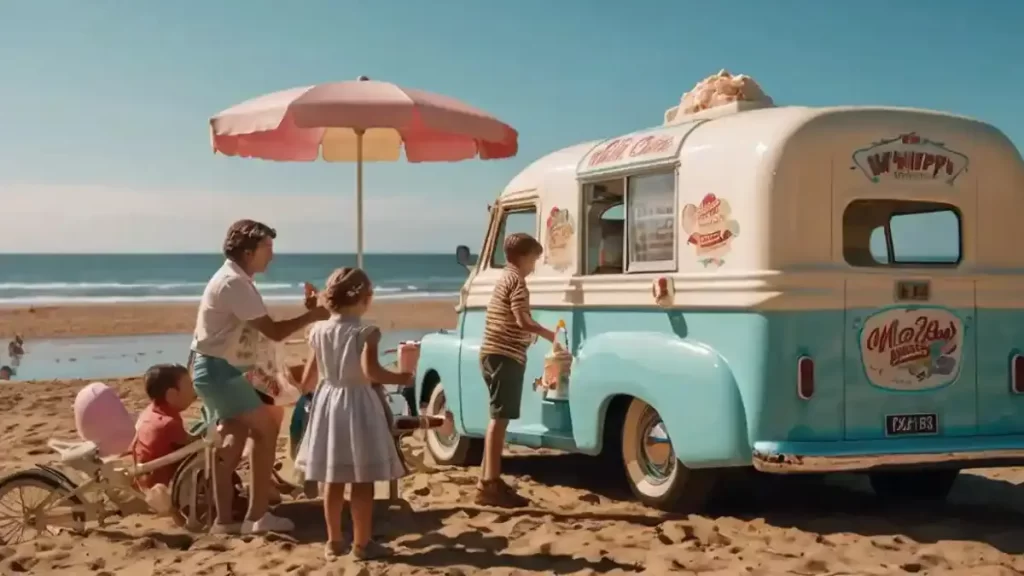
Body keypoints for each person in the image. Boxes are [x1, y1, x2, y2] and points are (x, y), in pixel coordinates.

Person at [191, 219, 328, 535]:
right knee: (264, 430)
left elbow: (259, 333)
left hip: (220, 368)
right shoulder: (233, 283)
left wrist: (307, 311)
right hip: (221, 370)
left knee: (238, 436)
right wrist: (314, 314)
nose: (273, 256)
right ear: (249, 251)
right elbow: (274, 332)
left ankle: (225, 520)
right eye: (268, 248)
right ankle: (256, 516)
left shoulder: (236, 279)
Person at [295, 267, 412, 561]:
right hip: (358, 403)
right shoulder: (364, 332)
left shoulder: (318, 331)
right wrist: (402, 377)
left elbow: (307, 381)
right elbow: (370, 371)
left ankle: (333, 540)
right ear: (364, 298)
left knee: (332, 476)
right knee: (362, 477)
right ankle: (362, 543)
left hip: (328, 402)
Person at [477, 233, 557, 507]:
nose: (535, 264)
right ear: (524, 257)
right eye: (534, 258)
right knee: (499, 419)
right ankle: (491, 484)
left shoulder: (504, 278)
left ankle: (485, 479)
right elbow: (522, 320)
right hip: (504, 356)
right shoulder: (519, 283)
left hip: (490, 353)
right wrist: (549, 335)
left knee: (496, 417)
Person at [132, 364, 197, 490]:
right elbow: (190, 452)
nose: (194, 391)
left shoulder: (149, 413)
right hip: (161, 488)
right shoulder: (169, 424)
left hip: (143, 479)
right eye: (190, 386)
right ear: (172, 395)